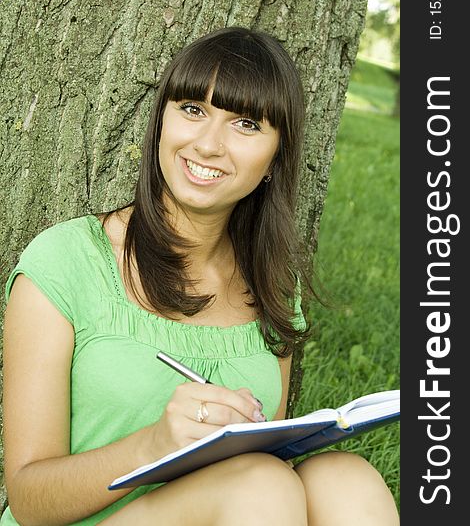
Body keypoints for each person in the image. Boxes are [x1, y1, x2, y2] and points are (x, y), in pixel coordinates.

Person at [1, 27, 399, 525]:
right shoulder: (67, 260)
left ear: (275, 158)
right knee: (261, 486)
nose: (209, 144)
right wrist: (153, 444)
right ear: (162, 123)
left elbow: (255, 462)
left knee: (346, 480)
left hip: (234, 506)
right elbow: (30, 499)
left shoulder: (271, 283)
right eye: (193, 110)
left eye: (247, 124)